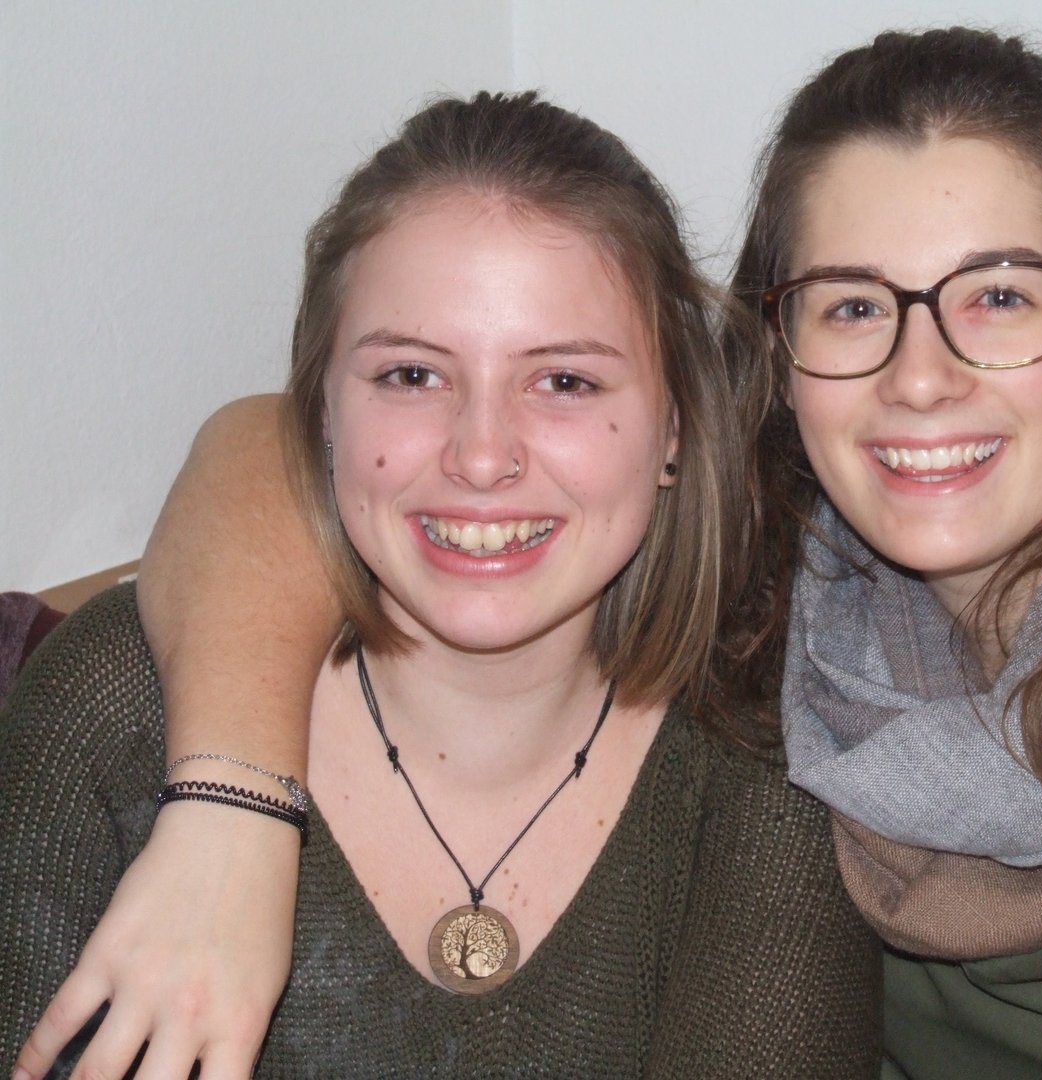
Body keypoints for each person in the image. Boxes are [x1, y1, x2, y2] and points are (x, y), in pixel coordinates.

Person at [13, 24, 1042, 1080]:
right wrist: (230, 800)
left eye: (1001, 297)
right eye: (853, 305)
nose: (922, 375)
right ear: (776, 359)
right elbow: (262, 455)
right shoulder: (798, 655)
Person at [0, 90, 880, 1078]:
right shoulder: (115, 709)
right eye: (412, 376)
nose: (482, 454)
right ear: (322, 411)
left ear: (673, 430)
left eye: (565, 381)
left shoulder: (771, 749)